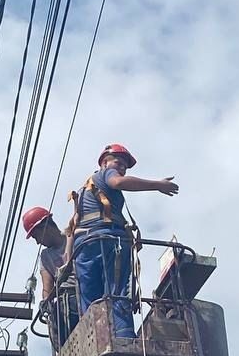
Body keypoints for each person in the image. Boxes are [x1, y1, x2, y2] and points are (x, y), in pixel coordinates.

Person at [66, 143, 179, 339]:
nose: (121, 168)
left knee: (90, 297)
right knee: (117, 291)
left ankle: (93, 338)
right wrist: (158, 185)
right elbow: (118, 183)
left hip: (84, 246)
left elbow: (72, 227)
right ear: (104, 162)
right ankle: (123, 334)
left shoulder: (84, 189)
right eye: (118, 162)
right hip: (109, 241)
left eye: (125, 166)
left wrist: (68, 260)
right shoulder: (105, 175)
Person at [21, 206, 76, 352]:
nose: (38, 242)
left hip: (85, 290)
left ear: (44, 226)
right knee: (57, 312)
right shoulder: (46, 257)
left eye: (36, 236)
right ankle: (65, 353)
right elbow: (47, 287)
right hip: (66, 300)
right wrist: (46, 302)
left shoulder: (73, 237)